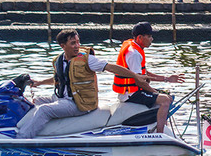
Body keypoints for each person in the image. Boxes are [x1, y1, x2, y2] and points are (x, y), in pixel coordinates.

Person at [17, 27, 153, 138]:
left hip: (78, 103)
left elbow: (111, 67)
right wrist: (39, 82)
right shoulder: (59, 60)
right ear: (62, 46)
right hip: (62, 98)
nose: (77, 46)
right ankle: (15, 129)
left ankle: (21, 139)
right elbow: (60, 80)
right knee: (33, 102)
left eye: (78, 42)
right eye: (73, 43)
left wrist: (135, 76)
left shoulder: (87, 60)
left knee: (44, 110)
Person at [113, 22, 184, 132]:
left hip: (135, 90)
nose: (152, 39)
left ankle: (161, 127)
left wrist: (167, 78)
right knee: (165, 100)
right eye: (149, 36)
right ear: (140, 37)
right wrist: (155, 92)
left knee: (166, 95)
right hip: (130, 94)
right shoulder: (134, 54)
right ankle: (160, 134)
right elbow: (139, 81)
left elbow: (144, 73)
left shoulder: (135, 48)